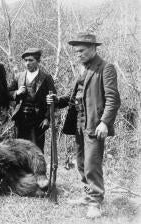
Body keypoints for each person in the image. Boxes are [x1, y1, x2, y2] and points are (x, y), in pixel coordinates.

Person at [47, 32, 121, 218]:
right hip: (79, 123)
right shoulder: (82, 69)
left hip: (95, 124)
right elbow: (75, 98)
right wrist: (57, 100)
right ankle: (88, 196)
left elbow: (113, 99)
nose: (78, 54)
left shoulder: (106, 68)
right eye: (76, 51)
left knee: (91, 164)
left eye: (82, 51)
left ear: (94, 48)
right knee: (80, 162)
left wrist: (104, 122)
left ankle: (95, 202)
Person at [9, 48, 56, 154]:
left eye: (31, 60)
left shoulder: (46, 78)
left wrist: (47, 118)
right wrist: (16, 92)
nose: (27, 63)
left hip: (38, 120)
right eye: (25, 60)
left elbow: (52, 99)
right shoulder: (19, 76)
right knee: (19, 149)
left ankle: (37, 170)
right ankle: (22, 170)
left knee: (37, 150)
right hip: (21, 118)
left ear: (38, 61)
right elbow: (7, 93)